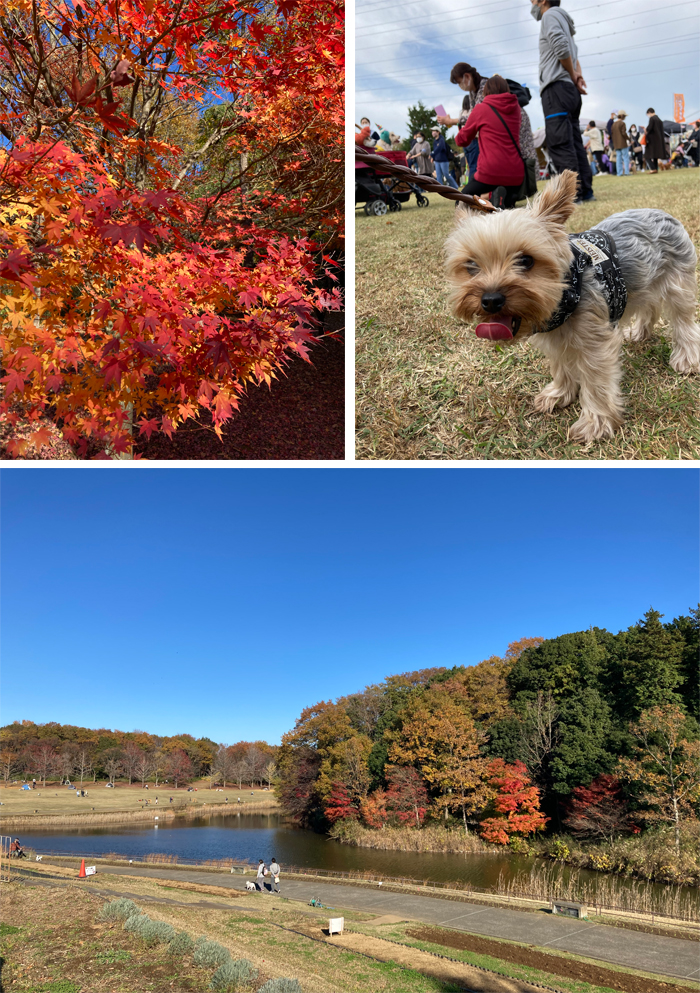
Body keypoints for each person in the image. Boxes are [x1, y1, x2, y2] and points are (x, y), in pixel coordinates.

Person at [531, 0, 594, 202]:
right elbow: (573, 55)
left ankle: (572, 196)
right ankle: (585, 191)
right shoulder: (564, 21)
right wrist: (576, 75)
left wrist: (573, 75)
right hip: (569, 90)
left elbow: (560, 45)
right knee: (574, 142)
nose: (531, 3)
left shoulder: (550, 16)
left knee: (560, 143)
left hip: (556, 89)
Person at [455, 74, 524, 209]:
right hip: (515, 172)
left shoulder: (481, 108)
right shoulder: (516, 109)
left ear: (486, 91)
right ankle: (502, 202)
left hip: (490, 171)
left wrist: (459, 131)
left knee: (461, 202)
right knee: (508, 212)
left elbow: (462, 140)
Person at [438, 63, 487, 179]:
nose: (460, 86)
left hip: (494, 134)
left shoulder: (485, 86)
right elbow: (473, 113)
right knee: (475, 166)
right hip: (481, 137)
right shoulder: (472, 92)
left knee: (477, 167)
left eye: (460, 82)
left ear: (467, 76)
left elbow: (476, 115)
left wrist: (451, 121)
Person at [644, 108, 665, 173]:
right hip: (658, 140)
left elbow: (649, 128)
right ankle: (655, 169)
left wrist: (645, 130)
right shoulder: (659, 120)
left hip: (652, 140)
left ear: (649, 112)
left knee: (647, 155)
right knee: (655, 156)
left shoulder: (652, 119)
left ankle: (653, 168)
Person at [611, 110, 629, 176]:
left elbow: (612, 134)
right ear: (622, 116)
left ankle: (619, 173)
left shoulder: (613, 124)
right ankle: (627, 172)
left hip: (616, 144)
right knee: (625, 157)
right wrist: (629, 139)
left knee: (618, 158)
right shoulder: (622, 123)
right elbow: (623, 133)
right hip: (622, 143)